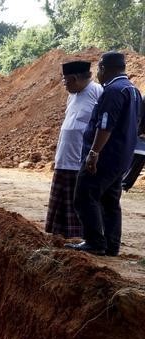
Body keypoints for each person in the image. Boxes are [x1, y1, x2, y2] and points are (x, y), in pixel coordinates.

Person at [67, 52, 143, 256]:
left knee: (84, 195)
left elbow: (105, 125)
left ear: (103, 68)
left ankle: (94, 242)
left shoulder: (113, 91)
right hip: (122, 157)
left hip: (106, 156)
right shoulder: (133, 90)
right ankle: (111, 245)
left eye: (98, 70)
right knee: (110, 201)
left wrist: (94, 153)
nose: (97, 75)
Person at [45, 61, 103, 239]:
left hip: (81, 157)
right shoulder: (72, 95)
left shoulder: (97, 92)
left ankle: (82, 237)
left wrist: (93, 154)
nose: (64, 85)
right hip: (65, 155)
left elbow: (103, 127)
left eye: (66, 81)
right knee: (63, 198)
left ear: (75, 78)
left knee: (78, 200)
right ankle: (62, 233)